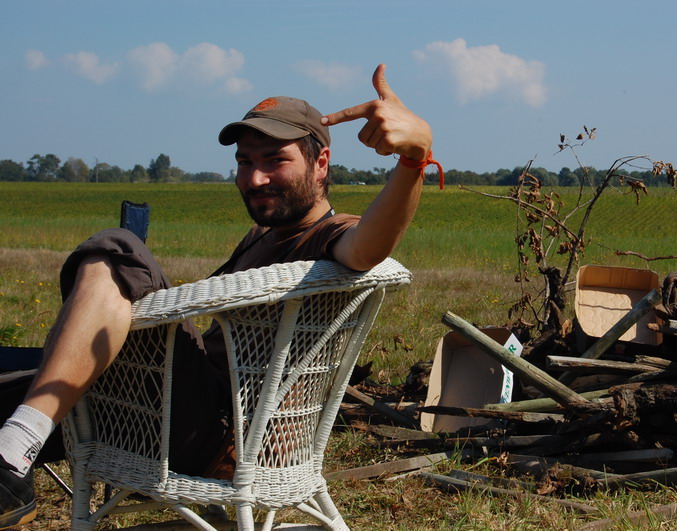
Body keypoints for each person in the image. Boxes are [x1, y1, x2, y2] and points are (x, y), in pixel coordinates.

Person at [0, 63, 438, 529]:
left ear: (321, 163)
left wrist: (414, 157)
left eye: (275, 160)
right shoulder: (262, 236)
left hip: (221, 435)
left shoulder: (329, 233)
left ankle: (13, 454)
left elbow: (369, 246)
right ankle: (14, 456)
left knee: (119, 250)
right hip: (183, 413)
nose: (254, 179)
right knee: (25, 377)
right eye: (246, 162)